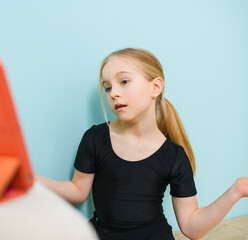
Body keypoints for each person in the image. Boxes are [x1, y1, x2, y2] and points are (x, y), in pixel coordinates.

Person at [34, 48, 248, 240]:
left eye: (124, 81)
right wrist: (28, 178)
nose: (113, 93)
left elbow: (192, 228)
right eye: (107, 87)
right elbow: (77, 191)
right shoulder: (95, 138)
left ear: (155, 87)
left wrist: (236, 191)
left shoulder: (174, 156)